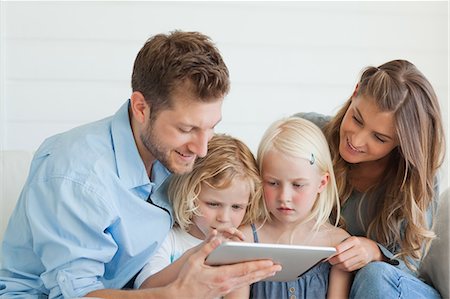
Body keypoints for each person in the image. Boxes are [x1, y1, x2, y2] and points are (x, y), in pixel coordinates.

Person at [0, 30, 280, 299]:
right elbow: (76, 295)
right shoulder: (77, 176)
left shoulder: (175, 156)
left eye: (210, 128)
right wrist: (175, 295)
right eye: (186, 128)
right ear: (141, 108)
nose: (202, 148)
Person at [296, 59, 445, 298]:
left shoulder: (415, 178)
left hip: (392, 288)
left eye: (379, 138)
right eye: (357, 119)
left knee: (374, 274)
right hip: (333, 287)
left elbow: (411, 266)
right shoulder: (309, 134)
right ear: (355, 93)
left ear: (401, 144)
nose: (356, 140)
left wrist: (375, 252)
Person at [230, 117, 352, 298]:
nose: (284, 197)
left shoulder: (338, 245)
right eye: (272, 183)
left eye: (298, 185)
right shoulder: (243, 240)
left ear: (321, 183)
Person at [134, 133, 265, 292]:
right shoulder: (169, 239)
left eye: (236, 207)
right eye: (213, 204)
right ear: (188, 194)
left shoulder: (240, 243)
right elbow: (144, 290)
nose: (224, 218)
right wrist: (198, 253)